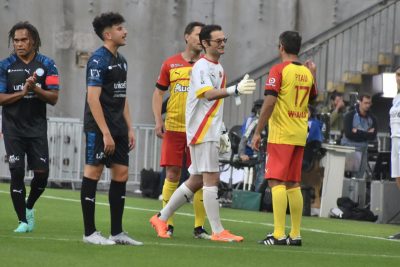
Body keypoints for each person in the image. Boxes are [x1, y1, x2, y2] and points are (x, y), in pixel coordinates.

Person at [150, 24, 256, 242]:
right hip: (201, 130)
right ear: (206, 44)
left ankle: (161, 217)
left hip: (209, 129)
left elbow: (214, 105)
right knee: (211, 178)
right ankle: (217, 230)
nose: (223, 43)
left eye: (224, 39)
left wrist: (222, 130)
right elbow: (207, 94)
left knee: (197, 180)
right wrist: (234, 89)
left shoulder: (218, 67)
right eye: (218, 41)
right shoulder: (201, 67)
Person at [80, 12, 142, 246]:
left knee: (122, 174)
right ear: (107, 34)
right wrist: (105, 132)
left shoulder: (122, 60)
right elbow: (93, 99)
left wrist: (130, 128)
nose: (124, 31)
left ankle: (117, 232)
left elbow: (121, 96)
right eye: (119, 28)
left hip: (118, 127)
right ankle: (90, 233)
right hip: (99, 127)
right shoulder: (98, 60)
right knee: (93, 173)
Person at [251, 31, 317, 246]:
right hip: (299, 132)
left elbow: (269, 102)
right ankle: (295, 234)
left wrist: (257, 131)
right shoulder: (307, 73)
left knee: (275, 181)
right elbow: (314, 98)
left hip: (281, 132)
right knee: (293, 183)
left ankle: (278, 234)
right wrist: (314, 74)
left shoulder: (279, 70)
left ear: (281, 47)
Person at [152, 22, 210, 239]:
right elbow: (158, 93)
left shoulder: (208, 64)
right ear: (187, 37)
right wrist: (159, 120)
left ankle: (199, 227)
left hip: (200, 129)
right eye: (197, 34)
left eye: (204, 35)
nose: (200, 38)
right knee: (173, 174)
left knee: (201, 176)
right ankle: (166, 223)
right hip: (175, 127)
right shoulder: (171, 64)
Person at [0, 21, 59, 233]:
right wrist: (22, 93)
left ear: (33, 40)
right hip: (12, 128)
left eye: (24, 40)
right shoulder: (5, 65)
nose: (19, 44)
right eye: (16, 40)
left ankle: (30, 206)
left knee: (42, 174)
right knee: (16, 172)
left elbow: (53, 98)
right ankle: (22, 221)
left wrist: (36, 89)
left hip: (36, 128)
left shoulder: (48, 64)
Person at [341, 94, 377, 178]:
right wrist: (366, 133)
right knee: (349, 177)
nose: (368, 105)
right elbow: (349, 134)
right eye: (365, 103)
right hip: (350, 149)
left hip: (363, 150)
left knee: (360, 178)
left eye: (369, 103)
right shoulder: (349, 115)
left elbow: (372, 136)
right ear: (360, 102)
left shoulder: (372, 119)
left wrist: (357, 131)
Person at [238, 99, 266, 191]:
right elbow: (244, 138)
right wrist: (241, 154)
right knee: (261, 172)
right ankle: (258, 197)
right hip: (255, 152)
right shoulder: (253, 121)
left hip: (268, 151)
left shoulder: (270, 120)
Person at [388, 66, 400, 240]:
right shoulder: (396, 98)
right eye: (398, 74)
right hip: (395, 141)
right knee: (399, 181)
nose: (399, 77)